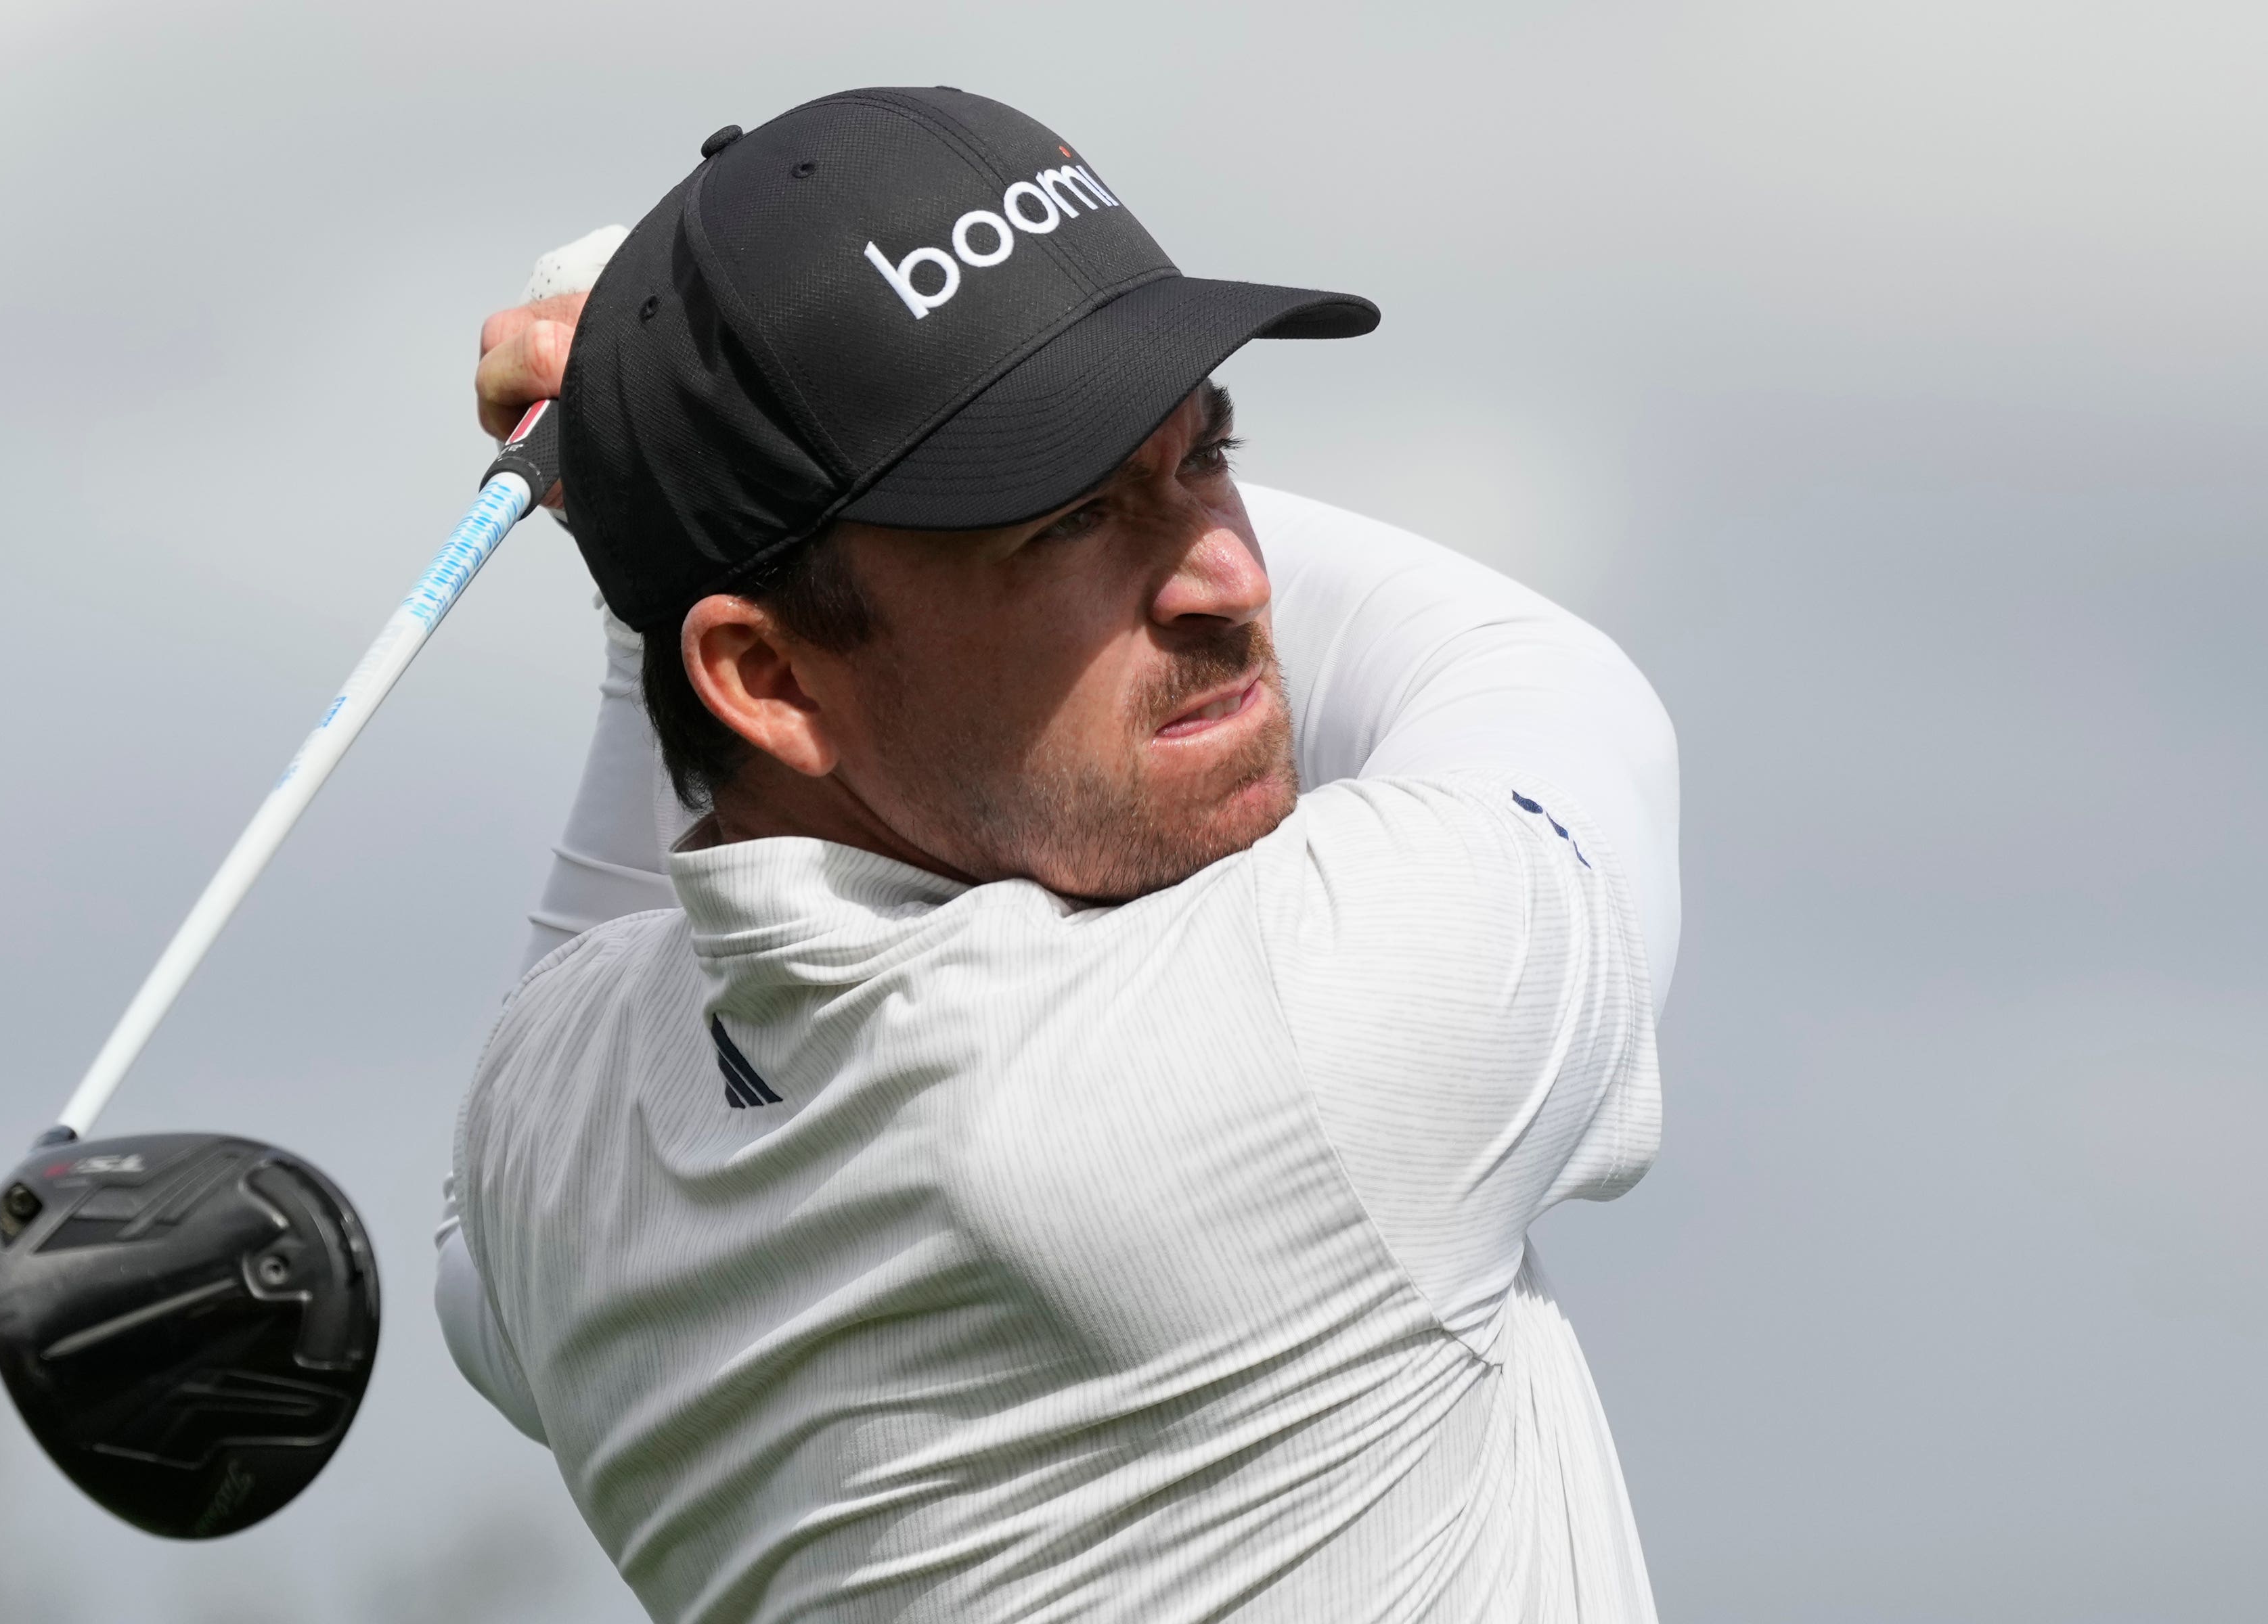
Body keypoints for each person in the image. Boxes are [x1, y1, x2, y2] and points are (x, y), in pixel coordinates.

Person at [437, 86, 1679, 1621]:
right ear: (766, 677)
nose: (1228, 575)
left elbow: (479, 1290)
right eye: (1061, 520)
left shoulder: (546, 1155)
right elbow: (1548, 680)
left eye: (1207, 455)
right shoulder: (1299, 1029)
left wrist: (660, 485)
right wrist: (646, 490)